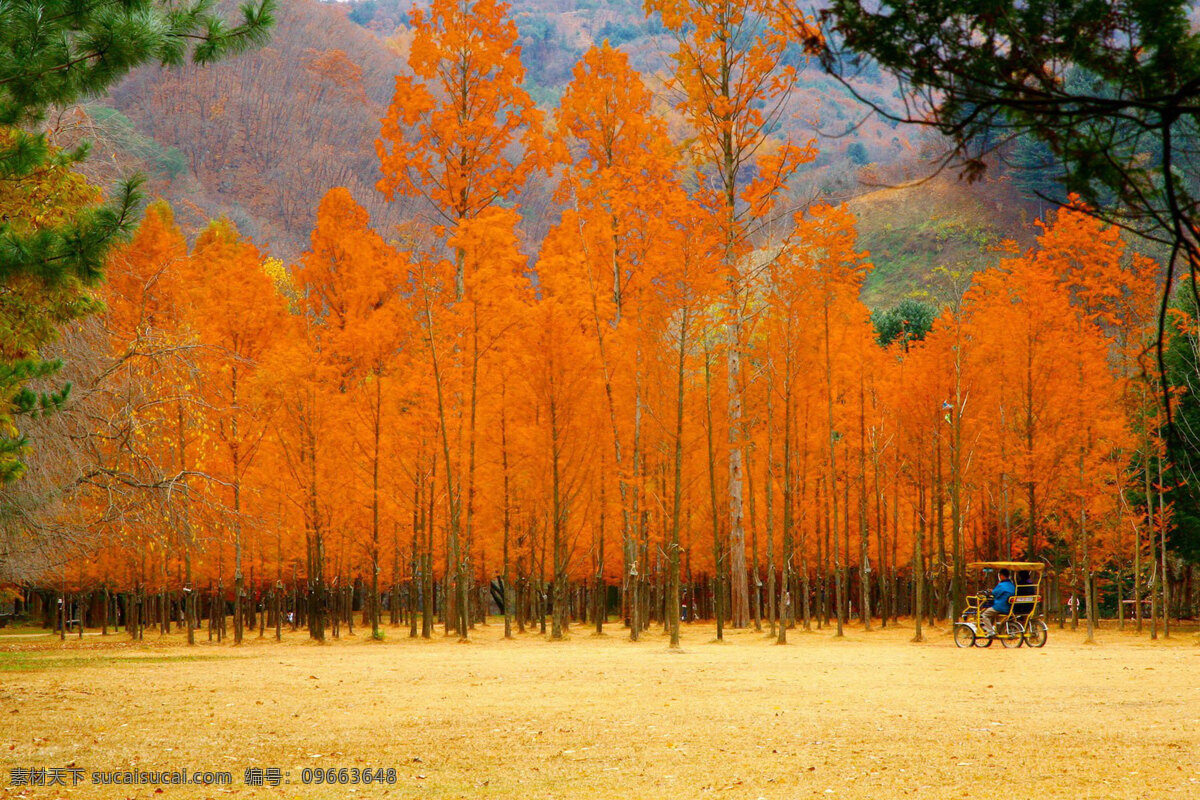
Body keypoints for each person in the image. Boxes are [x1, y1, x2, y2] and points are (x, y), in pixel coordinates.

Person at [981, 568, 1015, 637]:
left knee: (985, 614)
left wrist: (990, 591)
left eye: (999, 575)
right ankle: (993, 628)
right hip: (1010, 607)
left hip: (1000, 607)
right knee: (991, 613)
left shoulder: (1001, 585)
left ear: (1002, 576)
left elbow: (994, 593)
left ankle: (990, 631)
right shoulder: (1012, 585)